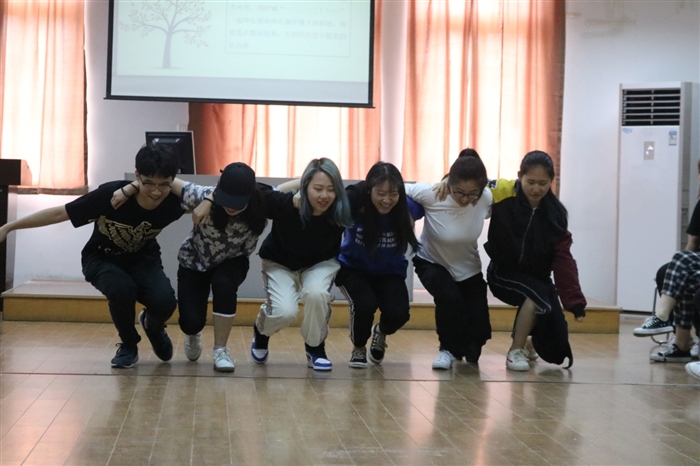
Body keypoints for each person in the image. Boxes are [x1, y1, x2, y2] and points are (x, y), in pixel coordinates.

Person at [0, 143, 185, 368]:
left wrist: (205, 205)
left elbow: (211, 196)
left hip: (142, 259)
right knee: (121, 288)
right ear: (137, 176)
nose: (156, 192)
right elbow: (59, 213)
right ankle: (129, 345)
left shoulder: (175, 201)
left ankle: (153, 326)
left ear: (173, 180)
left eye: (164, 185)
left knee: (166, 302)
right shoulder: (110, 196)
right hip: (101, 258)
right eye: (149, 183)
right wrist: (9, 227)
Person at [113, 162, 271, 372]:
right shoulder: (202, 195)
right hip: (194, 260)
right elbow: (167, 180)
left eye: (237, 202)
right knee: (190, 323)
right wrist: (130, 188)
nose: (231, 206)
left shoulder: (263, 201)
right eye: (226, 199)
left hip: (233, 260)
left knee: (224, 283)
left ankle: (220, 349)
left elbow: (293, 191)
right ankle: (192, 333)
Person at [485, 150, 586, 372]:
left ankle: (528, 343)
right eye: (530, 182)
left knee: (557, 351)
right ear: (519, 176)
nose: (536, 189)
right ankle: (515, 351)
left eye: (543, 183)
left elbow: (564, 260)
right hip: (502, 273)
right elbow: (471, 180)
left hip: (537, 278)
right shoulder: (503, 192)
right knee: (535, 296)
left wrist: (574, 301)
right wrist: (446, 181)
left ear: (551, 181)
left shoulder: (556, 214)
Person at [250, 158, 353, 371]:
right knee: (284, 312)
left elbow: (374, 190)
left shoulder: (341, 207)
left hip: (320, 263)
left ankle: (315, 348)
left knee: (317, 294)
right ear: (305, 186)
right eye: (317, 188)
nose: (324, 196)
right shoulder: (287, 203)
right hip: (279, 263)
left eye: (331, 189)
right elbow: (254, 189)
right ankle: (261, 331)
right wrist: (297, 184)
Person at [405, 149, 493, 370]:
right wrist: (444, 181)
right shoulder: (434, 193)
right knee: (448, 297)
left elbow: (509, 188)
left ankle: (464, 346)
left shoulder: (486, 198)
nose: (465, 199)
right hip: (431, 261)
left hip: (468, 267)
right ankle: (446, 349)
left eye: (472, 194)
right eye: (459, 192)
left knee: (477, 335)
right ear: (450, 184)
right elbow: (398, 187)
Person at [335, 162, 421, 368]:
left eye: (393, 194)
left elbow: (436, 196)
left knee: (399, 314)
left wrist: (446, 181)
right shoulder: (355, 204)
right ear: (369, 190)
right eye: (380, 193)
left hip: (390, 270)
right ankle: (358, 347)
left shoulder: (408, 207)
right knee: (364, 304)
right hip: (353, 267)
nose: (387, 200)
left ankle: (380, 332)